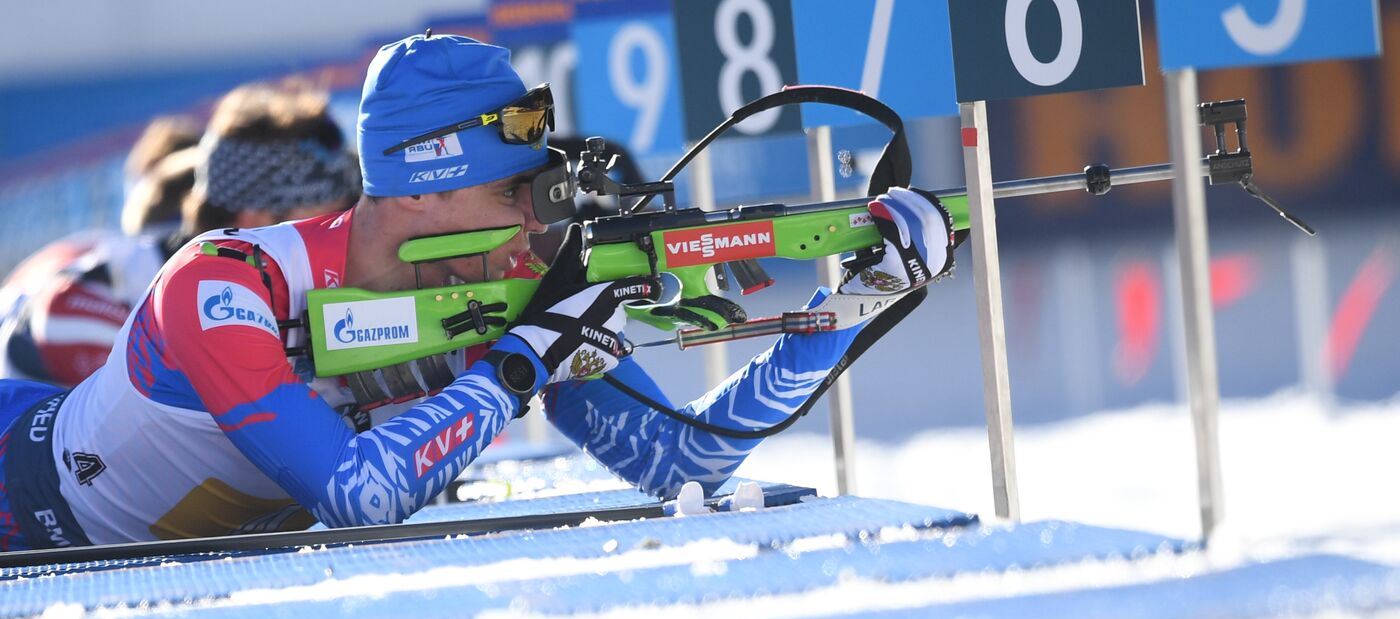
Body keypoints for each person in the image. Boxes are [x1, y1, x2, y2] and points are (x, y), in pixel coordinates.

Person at [0, 33, 955, 551]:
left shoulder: (504, 292)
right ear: (431, 186)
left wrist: (840, 311)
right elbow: (358, 498)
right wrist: (526, 356)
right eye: (519, 192)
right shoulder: (220, 286)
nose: (539, 225)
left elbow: (691, 468)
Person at [0, 82, 359, 387]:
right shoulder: (105, 289)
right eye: (330, 215)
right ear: (256, 217)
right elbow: (59, 317)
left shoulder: (283, 296)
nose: (343, 231)